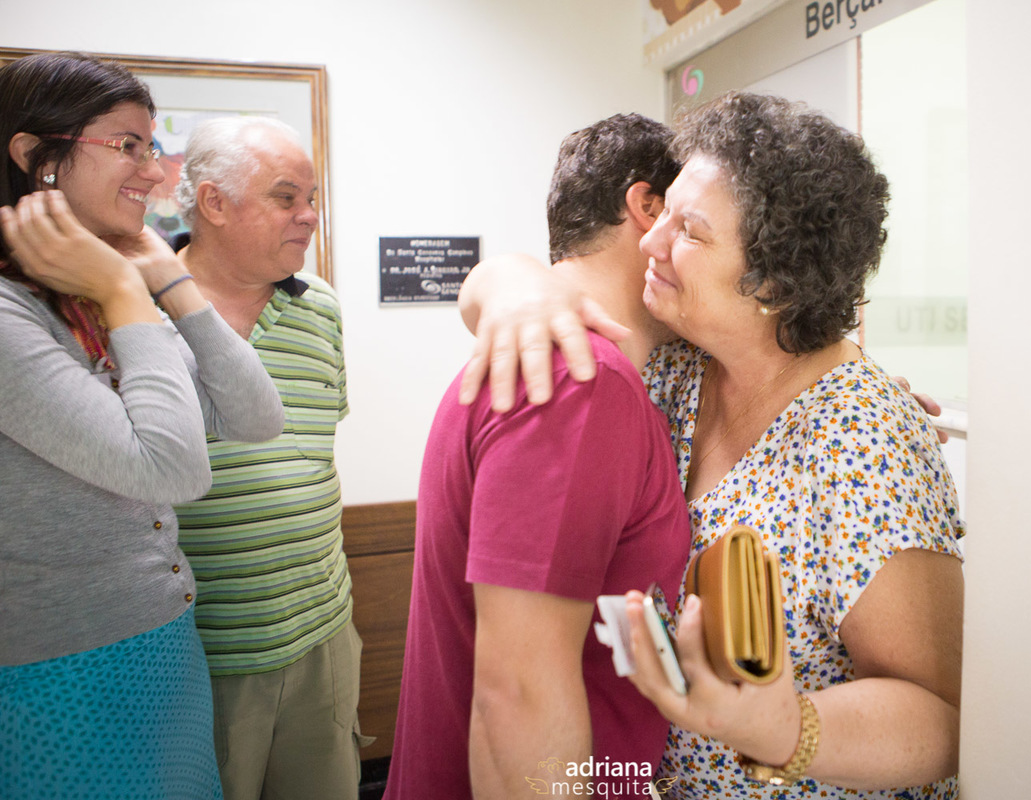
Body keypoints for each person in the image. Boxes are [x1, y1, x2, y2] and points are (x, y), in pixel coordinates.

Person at [460, 92, 966, 799]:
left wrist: (787, 729)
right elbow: (532, 293)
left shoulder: (865, 438)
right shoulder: (673, 369)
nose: (650, 240)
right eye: (662, 211)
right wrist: (508, 283)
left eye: (689, 231)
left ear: (773, 280)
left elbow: (942, 717)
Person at [383, 113, 692, 800]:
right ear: (648, 210)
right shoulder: (580, 381)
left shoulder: (577, 363)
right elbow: (518, 699)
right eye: (692, 223)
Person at [0, 52, 283, 798]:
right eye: (127, 144)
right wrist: (127, 291)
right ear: (35, 157)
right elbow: (173, 470)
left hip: (160, 644)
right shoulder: (10, 316)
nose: (155, 172)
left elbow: (257, 415)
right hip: (57, 672)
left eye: (152, 146)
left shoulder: (93, 298)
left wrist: (165, 279)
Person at [169, 116, 361, 800]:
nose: (309, 216)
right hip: (201, 655)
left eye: (312, 197)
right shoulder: (133, 315)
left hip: (323, 638)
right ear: (214, 203)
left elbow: (315, 454)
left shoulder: (323, 311)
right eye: (287, 197)